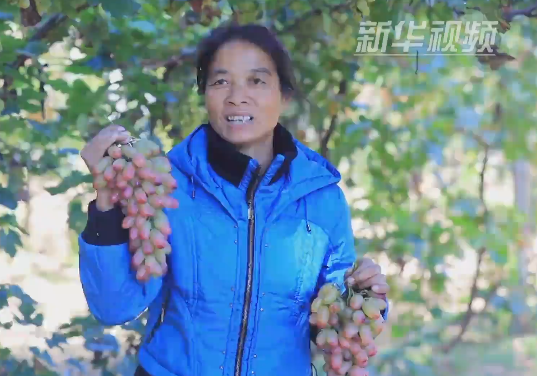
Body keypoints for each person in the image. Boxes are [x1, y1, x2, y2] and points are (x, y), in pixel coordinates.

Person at [78, 23, 389, 376]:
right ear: (204, 93)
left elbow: (331, 324)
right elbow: (114, 307)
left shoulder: (321, 199)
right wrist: (105, 201)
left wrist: (364, 295)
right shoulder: (165, 185)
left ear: (284, 96)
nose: (236, 96)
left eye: (256, 81)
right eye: (220, 81)